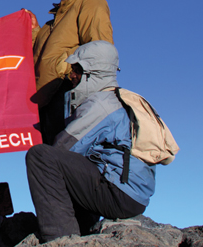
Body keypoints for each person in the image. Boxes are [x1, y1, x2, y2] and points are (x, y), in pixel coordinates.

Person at [25, 41, 156, 243]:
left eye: (77, 69)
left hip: (119, 194)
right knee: (75, 168)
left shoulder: (100, 104)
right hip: (132, 195)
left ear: (92, 73)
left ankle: (60, 239)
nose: (72, 75)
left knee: (41, 157)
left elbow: (64, 147)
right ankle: (83, 230)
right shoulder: (118, 99)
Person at [25, 0, 113, 144]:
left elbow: (100, 50)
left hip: (69, 93)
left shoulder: (90, 4)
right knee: (49, 163)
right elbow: (38, 59)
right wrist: (34, 30)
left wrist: (69, 73)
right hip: (43, 103)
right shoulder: (50, 25)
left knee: (66, 156)